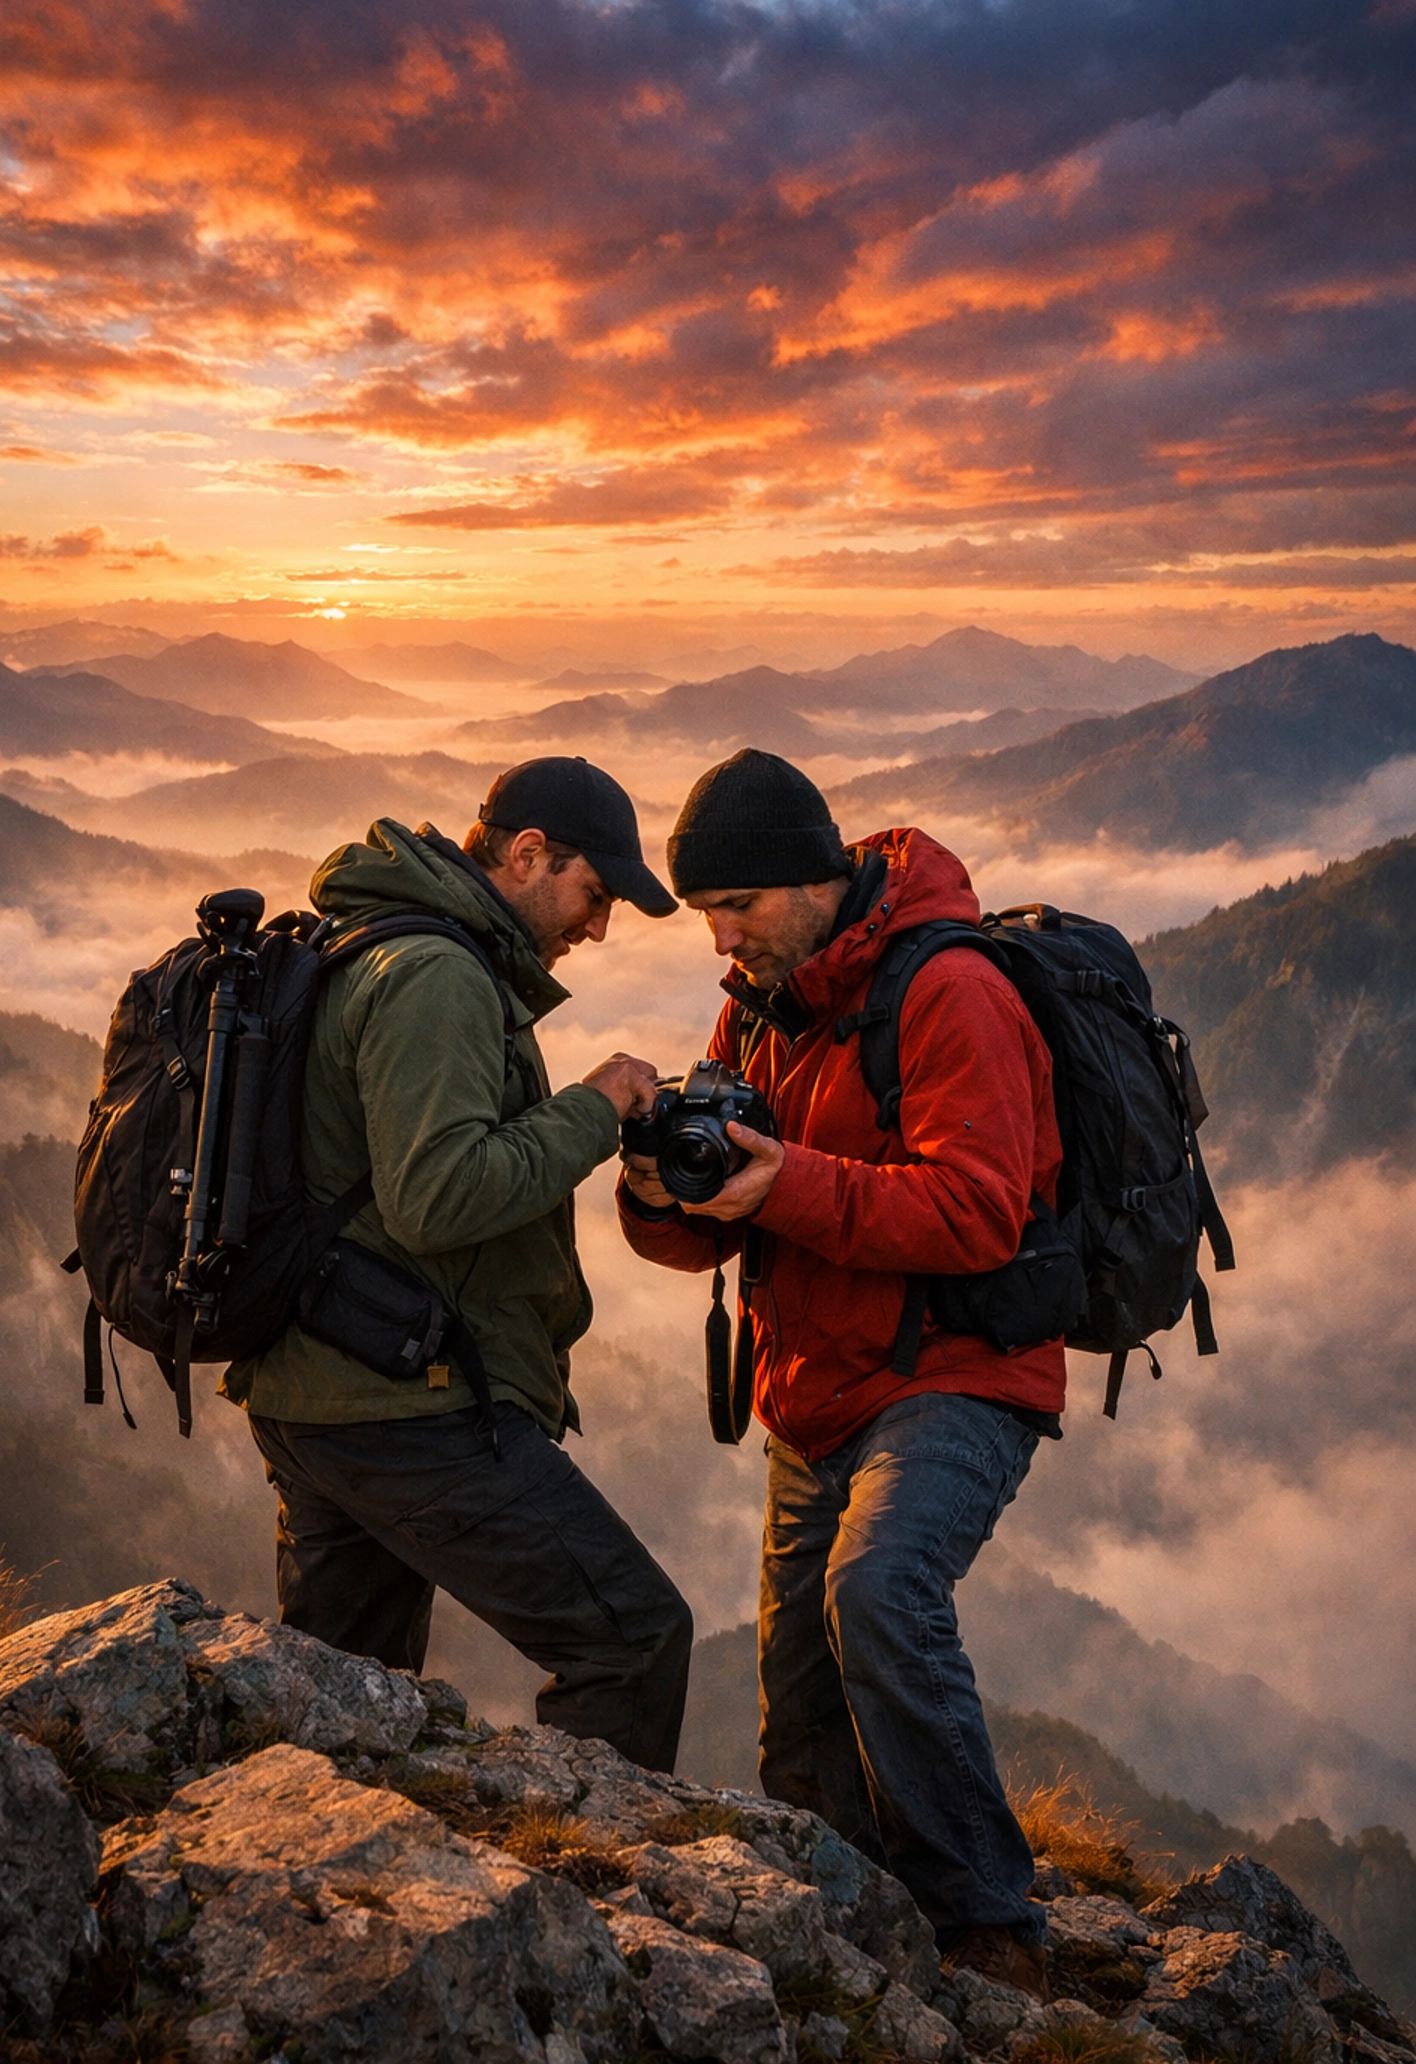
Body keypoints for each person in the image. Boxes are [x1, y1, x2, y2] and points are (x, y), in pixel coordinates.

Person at [618, 748, 1063, 1993]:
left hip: (961, 1375)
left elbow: (980, 1212)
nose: (720, 934)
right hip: (814, 1386)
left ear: (813, 879)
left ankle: (992, 1927)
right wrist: (661, 1191)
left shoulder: (951, 989)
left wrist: (788, 1184)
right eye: (706, 909)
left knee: (877, 1595)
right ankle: (849, 1917)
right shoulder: (757, 999)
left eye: (737, 905)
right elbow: (716, 1215)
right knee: (799, 1702)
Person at [224, 756, 694, 1773]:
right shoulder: (435, 973)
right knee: (632, 1639)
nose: (600, 928)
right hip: (400, 1408)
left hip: (320, 1387)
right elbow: (439, 1197)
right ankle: (592, 1897)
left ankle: (320, 1893)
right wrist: (596, 1106)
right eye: (594, 895)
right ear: (526, 855)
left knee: (346, 1698)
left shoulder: (389, 940)